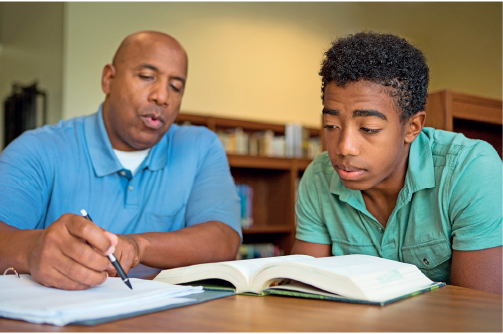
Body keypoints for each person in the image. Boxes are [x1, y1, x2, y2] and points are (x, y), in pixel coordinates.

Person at [0, 31, 242, 290]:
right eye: (147, 77)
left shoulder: (200, 147)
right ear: (108, 79)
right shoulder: (37, 149)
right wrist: (32, 250)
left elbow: (224, 240)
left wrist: (138, 246)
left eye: (176, 86)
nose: (162, 96)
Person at [292, 32, 503, 295]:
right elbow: (305, 294)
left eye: (368, 128)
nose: (344, 147)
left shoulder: (470, 170)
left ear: (412, 127)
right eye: (331, 126)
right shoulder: (319, 176)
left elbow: (478, 313)